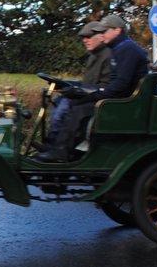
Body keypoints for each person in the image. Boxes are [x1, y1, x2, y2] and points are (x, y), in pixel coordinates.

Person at [36, 14, 149, 162]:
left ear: (117, 30)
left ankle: (61, 152)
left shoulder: (126, 49)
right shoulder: (122, 48)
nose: (101, 35)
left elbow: (120, 84)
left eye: (104, 31)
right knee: (76, 103)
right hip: (122, 98)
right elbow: (118, 83)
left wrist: (96, 95)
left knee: (79, 108)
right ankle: (57, 146)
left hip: (123, 102)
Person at [38, 20, 112, 152]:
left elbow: (104, 85)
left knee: (66, 104)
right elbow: (86, 82)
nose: (85, 40)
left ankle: (56, 147)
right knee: (59, 101)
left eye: (89, 37)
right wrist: (64, 83)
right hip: (91, 94)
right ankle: (52, 142)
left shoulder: (107, 55)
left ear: (100, 37)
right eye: (84, 38)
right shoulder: (93, 56)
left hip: (99, 98)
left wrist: (79, 90)